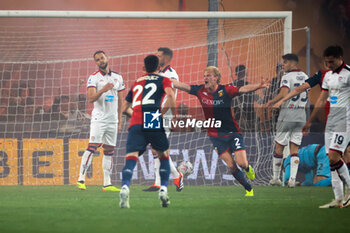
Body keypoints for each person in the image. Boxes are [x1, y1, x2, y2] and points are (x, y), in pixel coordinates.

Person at [172, 66, 268, 197]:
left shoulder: (226, 90)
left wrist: (259, 86)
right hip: (215, 137)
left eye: (209, 75)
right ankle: (249, 189)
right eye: (204, 75)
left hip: (232, 133)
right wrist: (163, 80)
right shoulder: (200, 90)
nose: (205, 78)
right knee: (232, 166)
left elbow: (243, 89)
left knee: (242, 163)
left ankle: (247, 168)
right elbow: (182, 85)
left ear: (216, 78)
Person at [119, 54, 176, 208]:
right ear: (159, 67)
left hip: (137, 120)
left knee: (131, 157)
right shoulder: (164, 79)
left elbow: (124, 108)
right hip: (153, 119)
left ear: (144, 67)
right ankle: (163, 189)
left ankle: (125, 187)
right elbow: (170, 95)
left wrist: (138, 115)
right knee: (163, 155)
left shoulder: (137, 81)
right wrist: (172, 115)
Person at [302, 46, 350, 208]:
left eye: (331, 61)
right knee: (332, 163)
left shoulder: (349, 73)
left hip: (345, 120)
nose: (328, 65)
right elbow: (322, 100)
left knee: (334, 157)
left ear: (340, 58)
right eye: (326, 62)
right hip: (331, 122)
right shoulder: (328, 76)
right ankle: (338, 200)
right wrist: (309, 121)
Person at [77, 50, 125, 192]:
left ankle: (107, 183)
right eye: (97, 60)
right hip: (99, 119)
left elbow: (121, 101)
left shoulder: (118, 77)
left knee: (109, 151)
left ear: (107, 58)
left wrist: (120, 121)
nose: (100, 61)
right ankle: (81, 178)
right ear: (95, 63)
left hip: (113, 120)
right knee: (92, 147)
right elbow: (91, 98)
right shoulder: (93, 78)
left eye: (102, 58)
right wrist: (103, 90)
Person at [143, 47, 184, 192]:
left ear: (166, 58)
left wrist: (160, 114)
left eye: (159, 55)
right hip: (153, 113)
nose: (157, 57)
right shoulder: (158, 74)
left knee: (157, 148)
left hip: (163, 115)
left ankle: (160, 181)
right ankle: (173, 176)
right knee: (155, 149)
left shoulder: (171, 74)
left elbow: (170, 96)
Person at [265, 53, 309, 188]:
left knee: (279, 146)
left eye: (284, 63)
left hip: (288, 114)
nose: (282, 65)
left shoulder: (287, 77)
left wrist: (271, 101)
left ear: (291, 63)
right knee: (294, 148)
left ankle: (276, 178)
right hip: (301, 114)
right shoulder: (306, 76)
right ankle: (292, 180)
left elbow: (284, 94)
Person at [231, 64, 258, 132]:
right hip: (249, 117)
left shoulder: (231, 85)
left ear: (236, 73)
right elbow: (258, 99)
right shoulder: (249, 86)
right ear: (245, 73)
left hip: (238, 116)